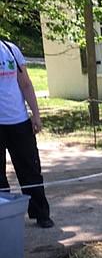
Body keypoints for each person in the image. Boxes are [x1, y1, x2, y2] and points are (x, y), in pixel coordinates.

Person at [0, 38, 54, 227]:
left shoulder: (11, 49)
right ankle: (4, 218)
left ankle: (41, 213)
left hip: (19, 121)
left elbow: (25, 84)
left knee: (30, 169)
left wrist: (36, 115)